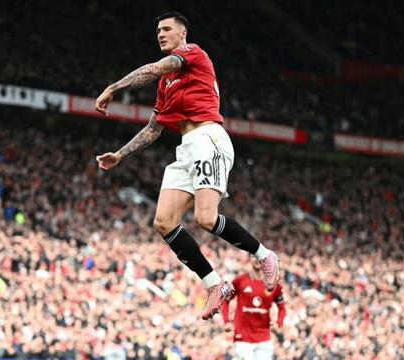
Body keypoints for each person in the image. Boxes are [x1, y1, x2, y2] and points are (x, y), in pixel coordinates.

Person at [94, 11, 280, 320]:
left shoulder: (193, 53)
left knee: (206, 218)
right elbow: (153, 128)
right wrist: (121, 155)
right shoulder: (166, 84)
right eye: (158, 30)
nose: (161, 34)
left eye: (167, 29)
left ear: (182, 33)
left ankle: (263, 254)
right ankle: (214, 284)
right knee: (164, 222)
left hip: (208, 138)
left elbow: (155, 67)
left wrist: (113, 88)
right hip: (187, 148)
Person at [222, 259, 285, 360]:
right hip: (243, 335)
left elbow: (282, 308)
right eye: (255, 256)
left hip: (263, 335)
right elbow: (225, 301)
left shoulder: (273, 284)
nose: (258, 260)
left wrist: (278, 323)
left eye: (261, 257)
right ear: (251, 259)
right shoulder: (240, 281)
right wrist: (227, 321)